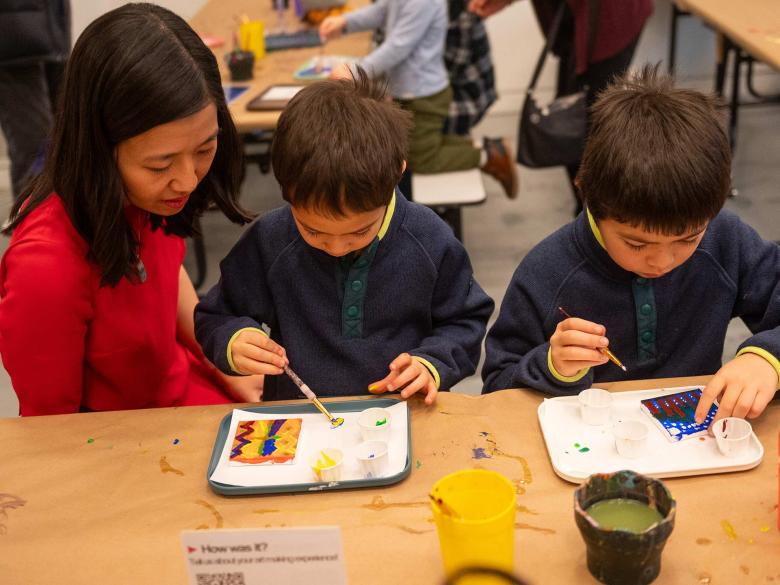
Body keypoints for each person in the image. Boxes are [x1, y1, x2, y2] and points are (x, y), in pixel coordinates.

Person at [0, 3, 264, 416]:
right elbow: (51, 434)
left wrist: (219, 358)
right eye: (160, 164)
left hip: (186, 393)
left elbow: (166, 273)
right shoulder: (46, 267)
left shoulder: (147, 194)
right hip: (124, 443)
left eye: (204, 149)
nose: (189, 181)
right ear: (100, 147)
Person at [482, 66, 779, 426]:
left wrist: (766, 358)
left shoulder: (725, 239)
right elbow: (496, 391)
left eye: (688, 239)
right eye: (637, 243)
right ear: (589, 196)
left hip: (696, 440)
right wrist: (552, 366)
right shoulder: (547, 271)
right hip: (588, 447)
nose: (662, 260)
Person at [195, 71, 494, 404]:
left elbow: (465, 319)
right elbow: (216, 314)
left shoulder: (428, 238)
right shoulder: (271, 239)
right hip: (302, 418)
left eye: (359, 231)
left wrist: (433, 363)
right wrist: (234, 341)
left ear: (396, 173)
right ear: (286, 190)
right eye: (313, 231)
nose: (336, 248)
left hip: (404, 413)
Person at [319, 0, 518, 198]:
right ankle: (486, 147)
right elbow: (383, 10)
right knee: (423, 141)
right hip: (412, 91)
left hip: (425, 95)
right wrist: (346, 22)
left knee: (421, 158)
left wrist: (356, 71)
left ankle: (488, 158)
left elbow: (399, 45)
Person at [469, 0, 653, 213]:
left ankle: (597, 216)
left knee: (587, 128)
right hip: (582, 20)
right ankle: (589, 211)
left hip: (607, 21)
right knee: (575, 124)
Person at [0, 0, 70, 199]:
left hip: (50, 29)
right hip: (13, 37)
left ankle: (55, 222)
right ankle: (31, 224)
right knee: (35, 149)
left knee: (64, 137)